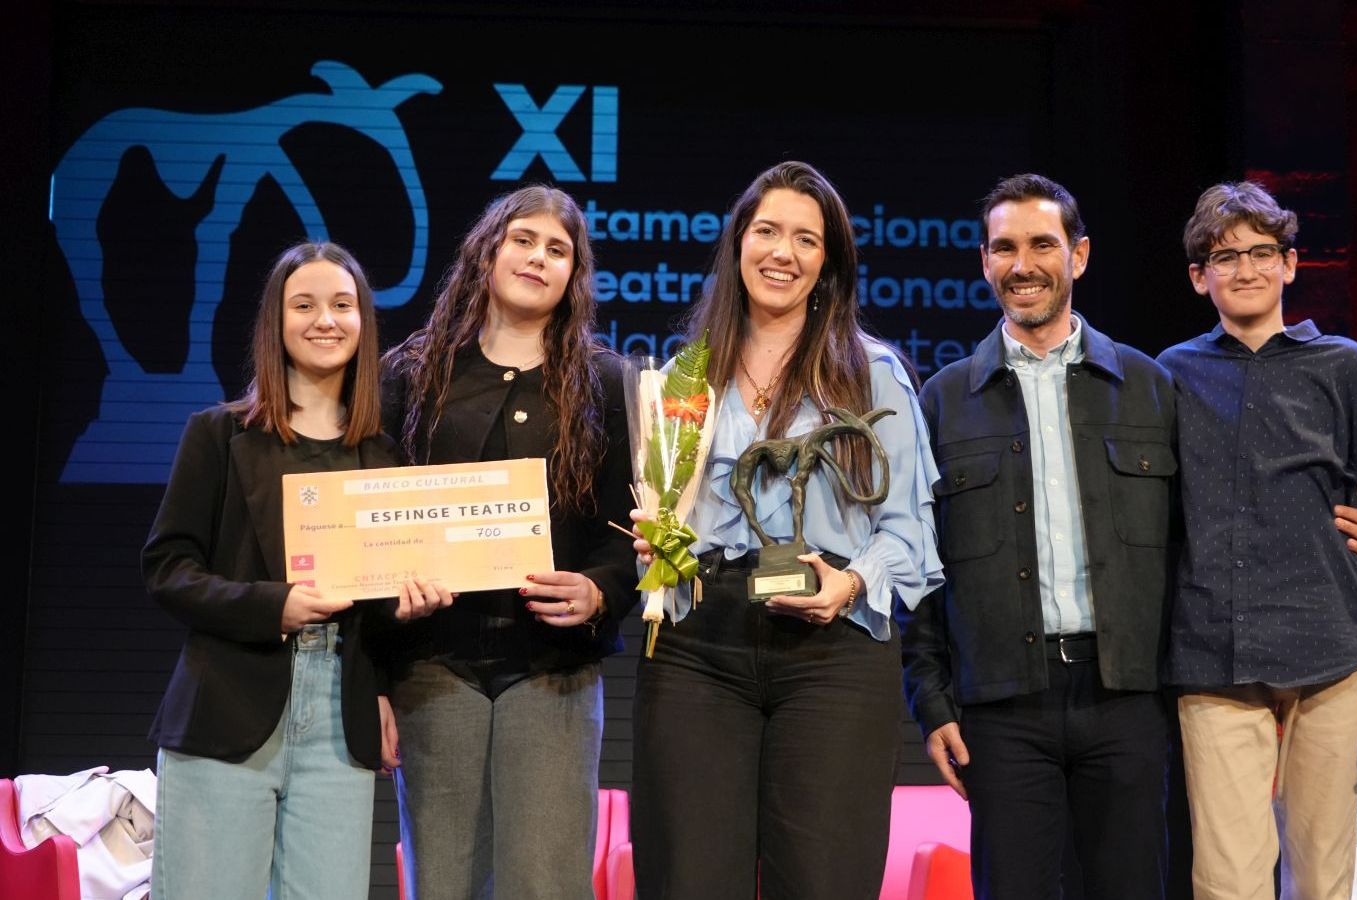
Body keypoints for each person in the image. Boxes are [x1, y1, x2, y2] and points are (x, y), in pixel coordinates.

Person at [901, 174, 1357, 900]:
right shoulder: (941, 400)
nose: (1022, 263)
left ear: (1080, 256)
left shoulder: (1149, 385)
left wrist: (1323, 523)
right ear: (985, 261)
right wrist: (930, 700)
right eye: (1005, 247)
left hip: (1127, 697)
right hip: (1001, 707)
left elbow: (1221, 505)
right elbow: (922, 562)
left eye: (1042, 244)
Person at [628, 160, 943, 900]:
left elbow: (909, 531)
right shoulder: (683, 379)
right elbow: (662, 510)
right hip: (696, 647)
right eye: (767, 231)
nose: (783, 252)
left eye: (806, 239)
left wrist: (853, 581)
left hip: (832, 651)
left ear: (827, 263)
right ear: (738, 244)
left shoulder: (873, 374)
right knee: (690, 879)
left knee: (824, 879)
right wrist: (657, 541)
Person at [144, 241, 448, 899]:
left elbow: (377, 604)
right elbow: (168, 568)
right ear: (275, 324)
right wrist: (272, 606)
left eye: (342, 305)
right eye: (303, 304)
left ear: (364, 323)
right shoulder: (219, 435)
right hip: (228, 705)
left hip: (340, 720)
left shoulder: (386, 461)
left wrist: (406, 610)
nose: (324, 320)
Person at [1160, 181, 1357, 900]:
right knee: (1227, 882)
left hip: (1330, 653)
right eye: (1225, 256)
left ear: (1290, 264)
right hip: (1214, 655)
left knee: (1321, 875)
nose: (1245, 269)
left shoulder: (1344, 367)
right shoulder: (1170, 376)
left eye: (1261, 252)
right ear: (1198, 276)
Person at [377, 184, 637, 899]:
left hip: (551, 667)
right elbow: (368, 523)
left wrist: (599, 590)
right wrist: (371, 673)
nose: (538, 257)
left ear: (574, 276)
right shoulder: (412, 373)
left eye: (559, 250)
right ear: (487, 251)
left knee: (546, 884)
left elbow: (630, 527)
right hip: (435, 665)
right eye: (523, 239)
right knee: (443, 883)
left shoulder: (606, 384)